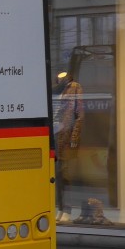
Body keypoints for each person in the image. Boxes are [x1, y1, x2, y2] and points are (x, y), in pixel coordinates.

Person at [54, 73, 84, 222]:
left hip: (66, 136)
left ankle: (67, 209)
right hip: (56, 135)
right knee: (57, 174)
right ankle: (60, 207)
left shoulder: (74, 87)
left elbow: (79, 115)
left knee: (66, 173)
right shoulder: (55, 88)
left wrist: (74, 137)